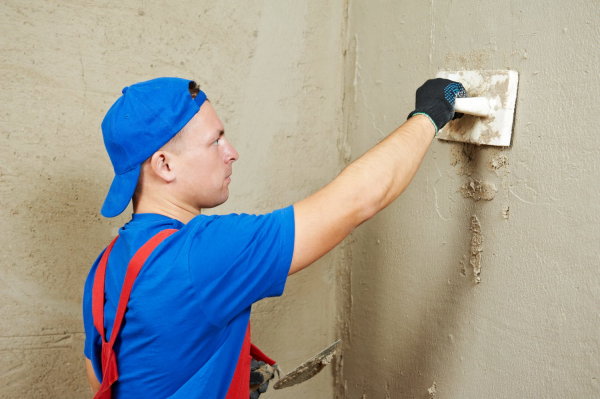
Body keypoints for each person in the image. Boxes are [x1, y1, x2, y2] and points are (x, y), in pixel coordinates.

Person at [82, 77, 466, 398]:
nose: (232, 152)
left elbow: (102, 375)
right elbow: (358, 200)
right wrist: (429, 114)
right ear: (164, 164)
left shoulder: (107, 265)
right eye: (215, 141)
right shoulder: (204, 253)